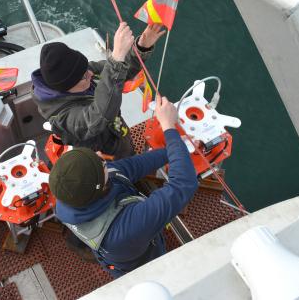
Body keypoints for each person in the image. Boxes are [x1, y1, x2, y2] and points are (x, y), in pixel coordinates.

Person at [49, 95, 198, 277]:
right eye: (100, 163)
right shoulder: (127, 228)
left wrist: (178, 148)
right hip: (141, 265)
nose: (99, 154)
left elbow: (134, 166)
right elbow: (183, 185)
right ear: (100, 186)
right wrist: (169, 127)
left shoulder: (71, 192)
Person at [31, 22, 165, 159]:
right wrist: (116, 59)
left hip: (119, 133)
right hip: (106, 157)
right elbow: (98, 117)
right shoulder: (63, 117)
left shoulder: (81, 73)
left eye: (86, 69)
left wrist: (141, 47)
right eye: (84, 76)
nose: (90, 74)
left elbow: (120, 70)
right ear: (66, 88)